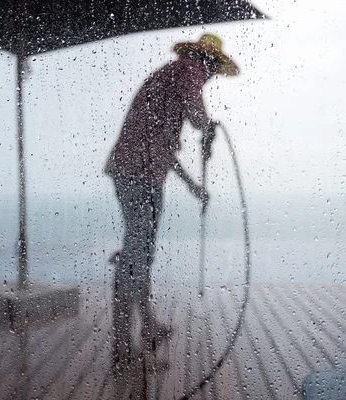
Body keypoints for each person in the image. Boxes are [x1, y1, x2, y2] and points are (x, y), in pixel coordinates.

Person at [104, 33, 239, 395]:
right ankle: (120, 343)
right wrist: (207, 127)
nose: (210, 77)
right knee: (135, 256)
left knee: (140, 254)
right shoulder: (186, 70)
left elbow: (165, 146)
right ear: (206, 61)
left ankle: (147, 325)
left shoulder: (170, 82)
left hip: (143, 172)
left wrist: (194, 185)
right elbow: (197, 113)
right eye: (213, 69)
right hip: (138, 174)